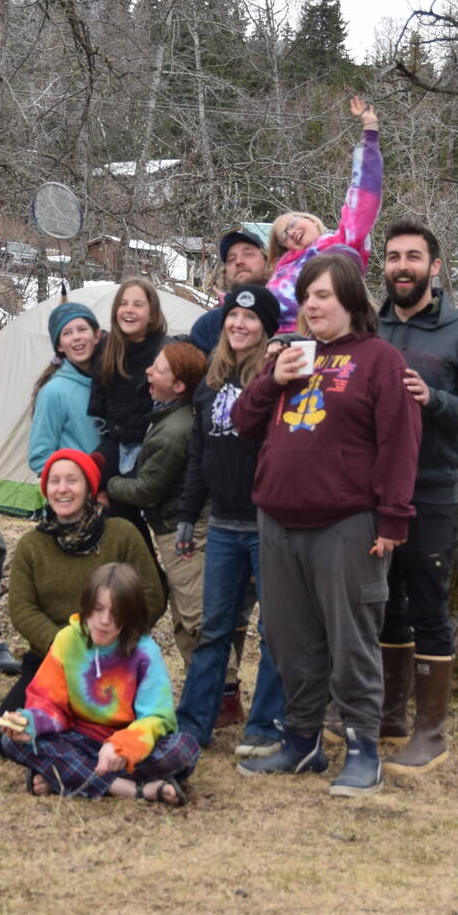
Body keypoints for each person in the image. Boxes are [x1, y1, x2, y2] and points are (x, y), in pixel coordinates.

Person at [234, 252, 420, 796]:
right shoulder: (290, 356)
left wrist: (393, 520)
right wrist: (272, 378)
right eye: (307, 296)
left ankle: (364, 751)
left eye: (323, 296)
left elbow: (400, 445)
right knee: (291, 642)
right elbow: (244, 422)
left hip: (347, 524)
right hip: (278, 521)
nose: (312, 305)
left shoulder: (380, 360)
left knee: (352, 641)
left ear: (350, 301)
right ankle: (301, 743)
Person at [375, 220, 458, 774]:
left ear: (435, 267)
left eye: (413, 257)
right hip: (372, 494)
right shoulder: (368, 327)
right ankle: (388, 716)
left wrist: (434, 399)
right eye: (394, 256)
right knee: (383, 605)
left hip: (431, 492)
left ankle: (431, 732)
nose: (402, 266)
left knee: (428, 607)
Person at [0, 449, 166, 756]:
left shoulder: (121, 533)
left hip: (115, 662)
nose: (62, 489)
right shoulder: (32, 546)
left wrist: (110, 641)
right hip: (51, 662)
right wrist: (70, 648)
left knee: (131, 740)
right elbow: (23, 610)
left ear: (89, 488)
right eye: (54, 481)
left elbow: (151, 594)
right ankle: (70, 747)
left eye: (72, 480)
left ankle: (83, 752)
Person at [171, 285, 288, 753]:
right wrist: (186, 513)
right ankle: (193, 724)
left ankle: (265, 725)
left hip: (267, 524)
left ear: (266, 326)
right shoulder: (211, 379)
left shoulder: (276, 375)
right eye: (233, 318)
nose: (239, 325)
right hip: (221, 524)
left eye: (250, 318)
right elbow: (200, 452)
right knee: (215, 627)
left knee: (273, 628)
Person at [0, 562, 198, 803]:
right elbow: (49, 704)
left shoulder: (145, 651)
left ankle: (61, 776)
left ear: (129, 616)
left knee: (185, 748)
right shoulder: (66, 640)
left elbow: (157, 718)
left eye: (115, 614)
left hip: (124, 745)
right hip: (75, 739)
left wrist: (121, 747)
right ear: (87, 604)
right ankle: (134, 789)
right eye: (98, 608)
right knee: (10, 741)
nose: (104, 620)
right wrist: (28, 723)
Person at [104, 339, 207, 662]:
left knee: (195, 617)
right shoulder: (168, 417)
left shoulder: (173, 432)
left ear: (178, 385)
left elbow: (146, 489)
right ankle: (204, 692)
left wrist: (108, 483)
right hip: (173, 527)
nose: (148, 371)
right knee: (184, 614)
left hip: (180, 531)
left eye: (158, 369)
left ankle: (220, 695)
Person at [262, 96, 384, 333]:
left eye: (293, 223)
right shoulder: (281, 270)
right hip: (276, 347)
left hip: (328, 340)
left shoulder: (340, 244)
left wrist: (370, 131)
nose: (291, 232)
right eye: (284, 236)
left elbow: (362, 201)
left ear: (310, 221)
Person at [86, 277, 167, 478]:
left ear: (152, 314)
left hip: (150, 449)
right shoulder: (106, 349)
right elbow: (100, 402)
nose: (129, 309)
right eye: (123, 304)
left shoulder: (163, 352)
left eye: (137, 305)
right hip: (113, 442)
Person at [27, 300, 102, 474]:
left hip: (110, 493)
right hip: (77, 495)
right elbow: (39, 456)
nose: (76, 336)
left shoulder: (109, 383)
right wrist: (77, 481)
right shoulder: (54, 392)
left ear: (96, 335)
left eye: (82, 329)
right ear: (59, 345)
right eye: (67, 333)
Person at [188, 227, 272, 352]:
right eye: (231, 259)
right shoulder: (209, 325)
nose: (239, 261)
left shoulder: (288, 314)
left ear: (267, 261)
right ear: (225, 272)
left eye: (248, 254)